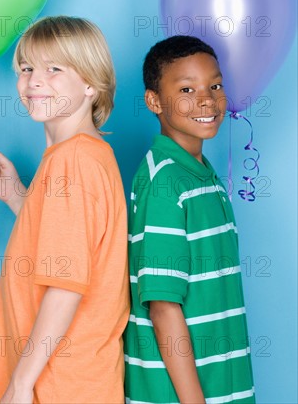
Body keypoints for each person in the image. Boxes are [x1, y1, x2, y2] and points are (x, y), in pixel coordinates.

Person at [0, 16, 130, 404]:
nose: (34, 81)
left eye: (54, 69)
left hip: (57, 385)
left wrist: (21, 383)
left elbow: (66, 285)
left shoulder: (72, 162)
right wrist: (17, 197)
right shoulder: (84, 156)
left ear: (91, 84)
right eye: (26, 68)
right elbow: (69, 248)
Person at [124, 36, 255, 403]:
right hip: (179, 395)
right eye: (186, 89)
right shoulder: (165, 183)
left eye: (215, 85)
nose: (207, 100)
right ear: (154, 101)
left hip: (223, 385)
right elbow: (164, 306)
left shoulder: (201, 174)